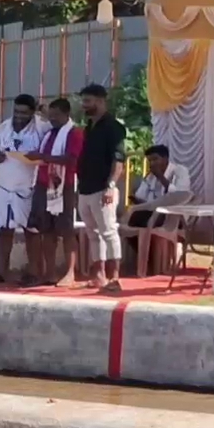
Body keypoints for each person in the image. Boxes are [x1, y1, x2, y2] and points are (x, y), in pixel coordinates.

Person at [0, 94, 44, 285]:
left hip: (29, 187)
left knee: (31, 231)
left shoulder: (41, 127)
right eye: (16, 111)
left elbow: (51, 150)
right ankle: (2, 271)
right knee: (5, 230)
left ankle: (33, 272)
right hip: (4, 187)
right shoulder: (4, 127)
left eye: (23, 112)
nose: (18, 116)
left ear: (32, 112)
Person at [25, 97, 84, 286]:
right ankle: (49, 272)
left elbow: (71, 159)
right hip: (44, 186)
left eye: (56, 116)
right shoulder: (50, 134)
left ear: (67, 114)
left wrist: (43, 157)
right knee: (46, 230)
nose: (52, 120)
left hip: (64, 186)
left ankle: (70, 273)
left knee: (66, 230)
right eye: (50, 116)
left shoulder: (74, 133)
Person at [76, 83, 127, 294]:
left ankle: (115, 278)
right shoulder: (89, 127)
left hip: (103, 189)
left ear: (100, 101)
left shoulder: (113, 127)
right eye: (84, 101)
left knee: (108, 231)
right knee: (92, 233)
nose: (84, 105)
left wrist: (111, 186)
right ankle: (99, 275)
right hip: (85, 188)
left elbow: (119, 160)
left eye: (88, 101)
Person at [126, 145, 191, 228]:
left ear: (165, 158)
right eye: (150, 160)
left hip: (172, 214)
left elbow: (179, 195)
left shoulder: (180, 171)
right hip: (152, 211)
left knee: (139, 218)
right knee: (133, 214)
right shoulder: (151, 176)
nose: (152, 163)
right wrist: (138, 199)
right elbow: (140, 195)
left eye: (155, 159)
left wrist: (160, 177)